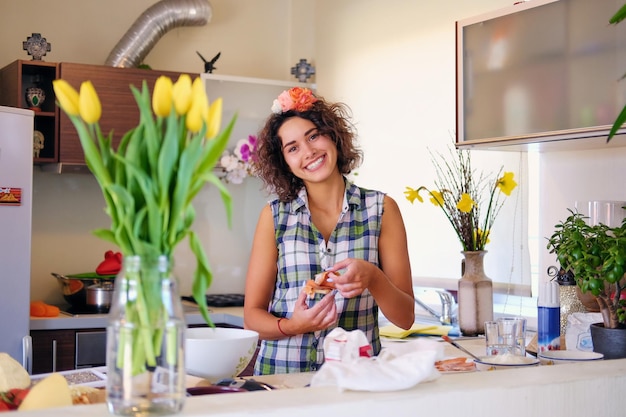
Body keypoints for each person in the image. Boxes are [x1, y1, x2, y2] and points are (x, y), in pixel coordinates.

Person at [243, 87, 415, 375]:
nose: (308, 152)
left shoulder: (381, 209)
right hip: (283, 381)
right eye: (293, 147)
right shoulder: (274, 216)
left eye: (313, 136)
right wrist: (293, 325)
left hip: (356, 380)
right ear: (284, 161)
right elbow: (252, 317)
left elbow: (406, 318)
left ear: (333, 136)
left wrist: (373, 277)